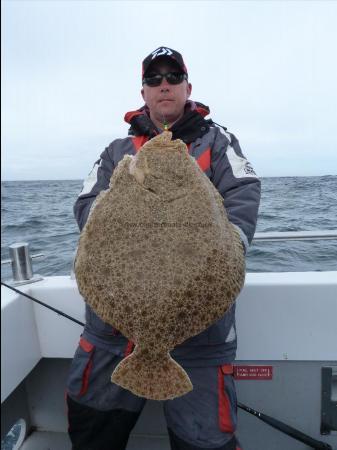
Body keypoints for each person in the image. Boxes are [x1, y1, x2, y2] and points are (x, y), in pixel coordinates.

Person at [66, 46, 261, 450]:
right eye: (154, 80)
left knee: (204, 441)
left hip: (201, 338)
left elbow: (243, 195)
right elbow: (85, 204)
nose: (164, 86)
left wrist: (226, 252)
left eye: (173, 78)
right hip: (112, 331)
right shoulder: (117, 153)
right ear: (144, 93)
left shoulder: (218, 143)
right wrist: (122, 224)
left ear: (188, 87)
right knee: (93, 430)